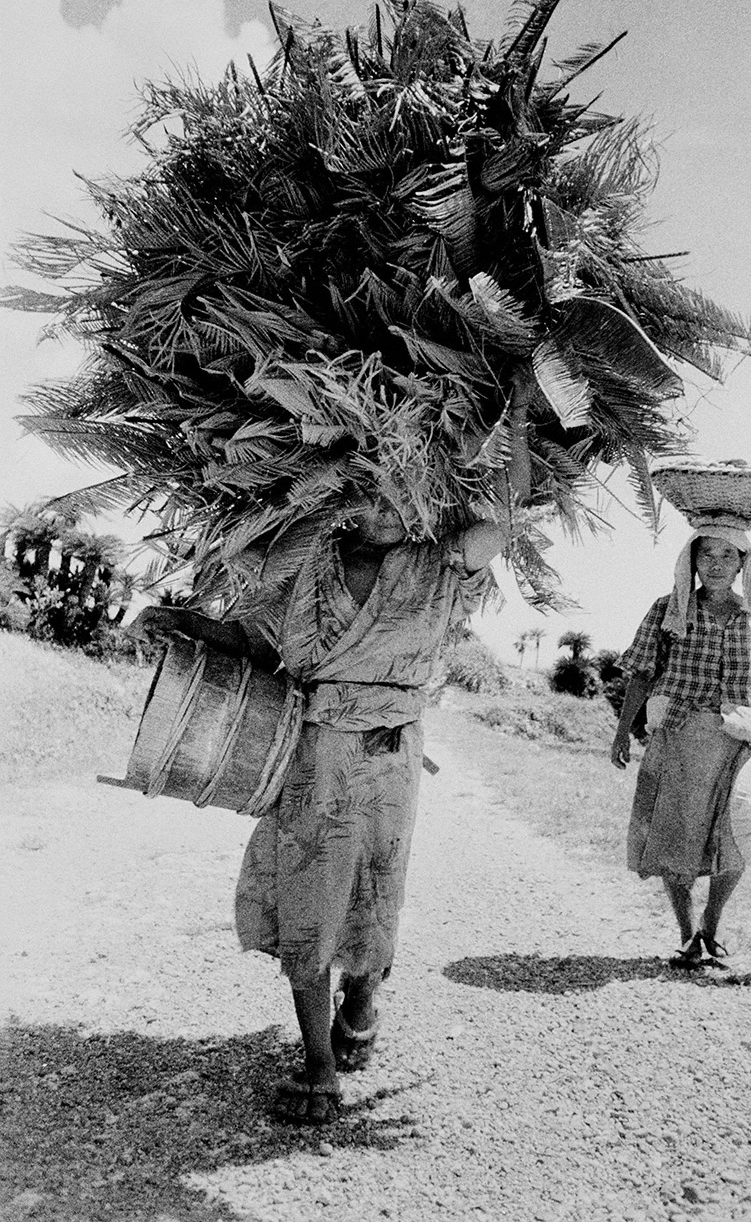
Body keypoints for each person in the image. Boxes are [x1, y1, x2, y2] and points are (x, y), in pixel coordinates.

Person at [132, 379, 531, 1124]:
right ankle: (317, 1061)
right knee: (308, 895)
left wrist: (519, 406)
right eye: (361, 481)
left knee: (377, 891)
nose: (374, 496)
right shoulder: (306, 561)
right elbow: (257, 644)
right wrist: (183, 621)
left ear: (419, 488)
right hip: (315, 754)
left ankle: (365, 993)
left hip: (389, 754)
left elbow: (506, 511)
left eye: (391, 481)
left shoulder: (442, 562)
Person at [610, 523, 751, 968]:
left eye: (728, 556)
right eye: (707, 554)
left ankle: (712, 924)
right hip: (680, 738)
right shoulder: (668, 610)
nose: (716, 564)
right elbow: (642, 672)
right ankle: (687, 936)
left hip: (738, 744)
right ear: (691, 561)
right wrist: (621, 732)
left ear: (743, 564)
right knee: (675, 837)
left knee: (737, 840)